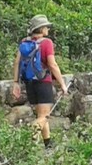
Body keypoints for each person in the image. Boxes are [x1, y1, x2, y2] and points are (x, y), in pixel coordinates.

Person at [11, 15, 69, 149]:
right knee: (44, 116)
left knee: (41, 115)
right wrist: (63, 84)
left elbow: (17, 62)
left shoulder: (25, 43)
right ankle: (29, 137)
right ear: (41, 28)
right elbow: (52, 65)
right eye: (46, 26)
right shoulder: (46, 43)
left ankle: (48, 143)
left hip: (29, 83)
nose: (48, 29)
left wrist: (16, 82)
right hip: (43, 82)